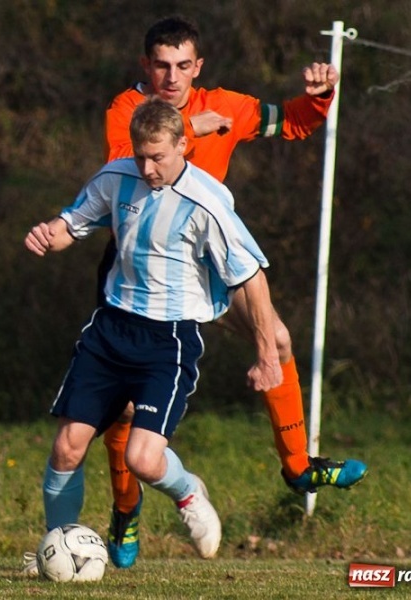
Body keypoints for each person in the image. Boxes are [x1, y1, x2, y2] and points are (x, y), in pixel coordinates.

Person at [98, 16, 367, 569]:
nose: (171, 76)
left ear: (198, 67)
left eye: (182, 66)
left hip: (205, 260)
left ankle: (298, 467)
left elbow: (291, 123)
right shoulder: (128, 111)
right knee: (123, 408)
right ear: (145, 66)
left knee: (280, 340)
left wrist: (319, 96)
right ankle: (125, 514)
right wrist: (194, 128)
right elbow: (125, 167)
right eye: (161, 65)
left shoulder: (229, 106)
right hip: (142, 270)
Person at [24, 97, 280, 569]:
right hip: (110, 330)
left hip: (169, 340)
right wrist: (49, 235)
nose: (147, 167)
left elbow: (252, 276)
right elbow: (72, 224)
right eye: (140, 155)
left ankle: (187, 491)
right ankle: (57, 550)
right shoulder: (116, 177)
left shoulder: (207, 202)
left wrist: (267, 355)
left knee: (143, 459)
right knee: (67, 446)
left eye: (158, 156)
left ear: (184, 145)